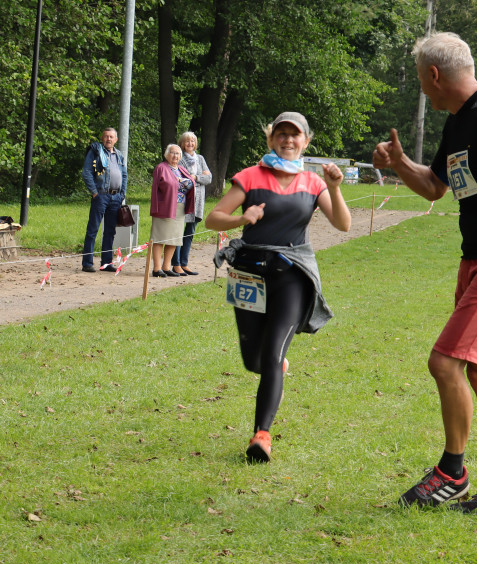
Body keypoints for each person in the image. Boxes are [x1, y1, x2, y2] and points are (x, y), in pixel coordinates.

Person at [373, 32, 477, 516]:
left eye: (422, 83)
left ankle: (453, 472)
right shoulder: (460, 122)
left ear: (434, 75)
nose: (424, 93)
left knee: (445, 362)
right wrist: (399, 162)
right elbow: (434, 188)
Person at [205, 112, 350, 463]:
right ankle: (276, 370)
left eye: (295, 135)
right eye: (281, 134)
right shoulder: (250, 176)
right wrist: (243, 218)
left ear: (306, 142)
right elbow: (213, 219)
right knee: (254, 361)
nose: (288, 140)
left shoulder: (312, 182)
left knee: (272, 354)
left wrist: (334, 186)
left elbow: (343, 224)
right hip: (249, 274)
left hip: (291, 275)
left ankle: (261, 435)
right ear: (271, 139)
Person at [80, 128, 128, 273]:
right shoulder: (95, 152)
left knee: (110, 231)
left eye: (111, 137)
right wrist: (94, 193)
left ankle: (106, 263)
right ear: (102, 138)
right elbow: (86, 172)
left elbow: (124, 174)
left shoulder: (119, 155)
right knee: (93, 230)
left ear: (116, 139)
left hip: (115, 197)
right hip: (101, 196)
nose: (108, 139)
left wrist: (122, 194)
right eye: (106, 136)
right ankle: (87, 263)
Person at [150, 144, 196, 277]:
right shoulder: (161, 168)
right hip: (164, 207)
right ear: (167, 154)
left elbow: (190, 183)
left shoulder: (181, 169)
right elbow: (156, 189)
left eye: (177, 153)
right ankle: (157, 268)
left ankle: (166, 267)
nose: (175, 156)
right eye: (172, 153)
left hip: (180, 207)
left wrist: (182, 181)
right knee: (160, 237)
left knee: (174, 238)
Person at [169, 132, 212, 276]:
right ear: (182, 143)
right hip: (184, 199)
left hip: (198, 200)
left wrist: (195, 177)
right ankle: (176, 264)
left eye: (192, 141)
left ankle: (184, 263)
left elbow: (209, 178)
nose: (190, 144)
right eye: (187, 141)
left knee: (190, 232)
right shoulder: (179, 159)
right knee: (178, 231)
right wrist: (197, 178)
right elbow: (181, 178)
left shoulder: (200, 158)